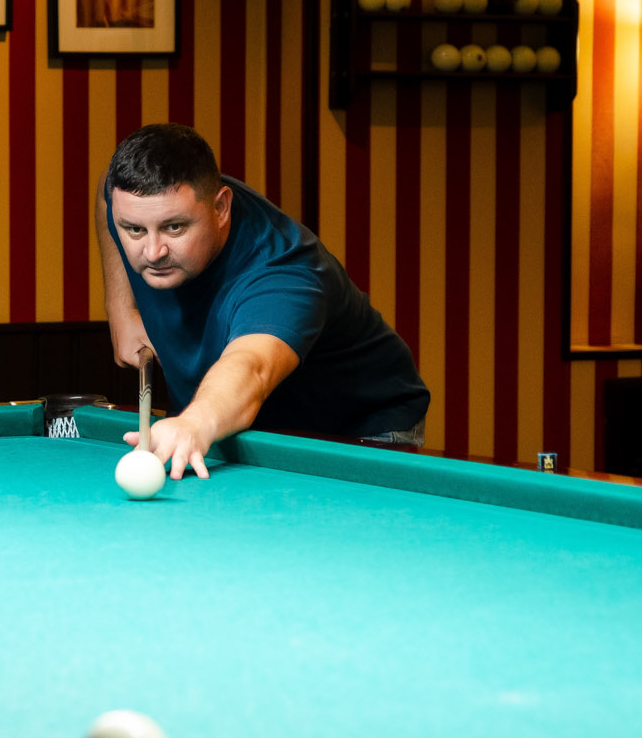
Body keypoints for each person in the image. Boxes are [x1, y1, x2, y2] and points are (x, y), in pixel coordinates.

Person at [95, 123, 429, 480]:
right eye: (134, 229)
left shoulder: (283, 272)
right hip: (235, 418)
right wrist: (121, 309)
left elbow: (252, 366)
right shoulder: (129, 200)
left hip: (355, 429)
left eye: (174, 227)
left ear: (221, 208)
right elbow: (105, 191)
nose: (153, 251)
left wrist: (193, 423)